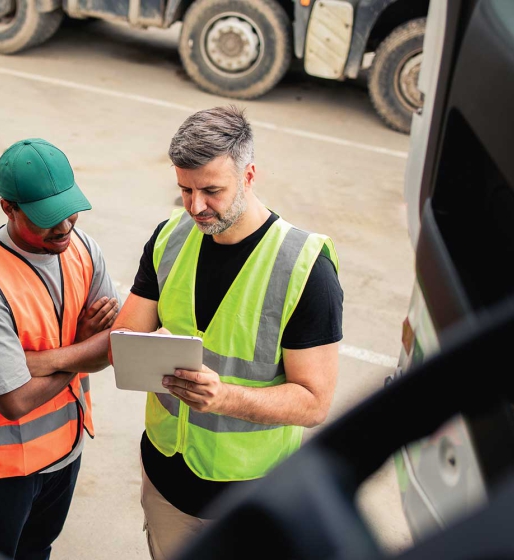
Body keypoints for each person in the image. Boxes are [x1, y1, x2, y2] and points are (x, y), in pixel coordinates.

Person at [111, 106, 344, 559]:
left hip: (252, 499)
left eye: (211, 190)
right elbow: (126, 337)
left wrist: (224, 398)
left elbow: (315, 403)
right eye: (185, 190)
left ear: (249, 174)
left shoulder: (305, 268)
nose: (195, 206)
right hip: (165, 485)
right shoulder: (169, 238)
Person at [0, 138, 120, 560]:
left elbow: (112, 346)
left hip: (65, 452)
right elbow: (14, 400)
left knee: (38, 550)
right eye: (45, 219)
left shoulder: (83, 248)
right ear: (8, 207)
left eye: (68, 212)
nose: (63, 228)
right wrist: (81, 346)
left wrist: (41, 360)